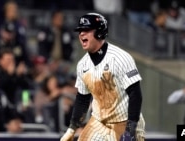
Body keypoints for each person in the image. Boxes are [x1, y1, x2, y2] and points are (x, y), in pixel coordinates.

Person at [60, 13, 145, 141]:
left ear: (99, 32)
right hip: (99, 121)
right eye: (80, 31)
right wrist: (72, 128)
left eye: (86, 30)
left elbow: (135, 94)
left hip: (124, 120)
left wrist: (130, 129)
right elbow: (82, 99)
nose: (81, 34)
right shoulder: (82, 65)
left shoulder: (120, 58)